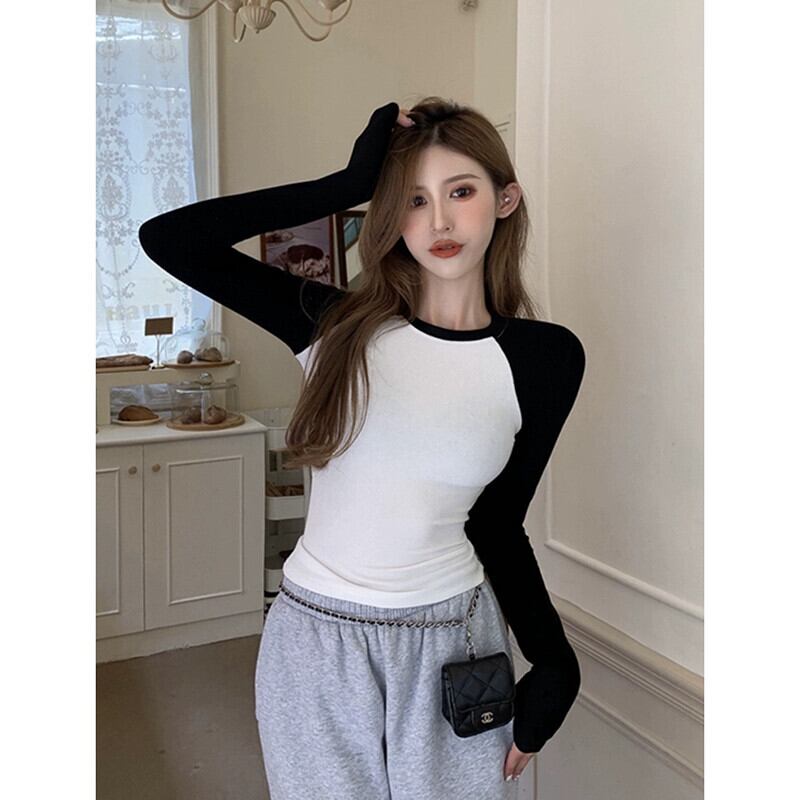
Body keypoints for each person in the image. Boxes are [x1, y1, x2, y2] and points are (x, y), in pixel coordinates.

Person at [138, 97, 586, 800]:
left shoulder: (545, 358)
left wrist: (555, 661)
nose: (438, 223)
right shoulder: (336, 327)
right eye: (412, 199)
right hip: (316, 642)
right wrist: (342, 186)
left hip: (456, 638)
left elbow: (498, 521)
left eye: (460, 192)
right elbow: (170, 238)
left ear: (505, 200)